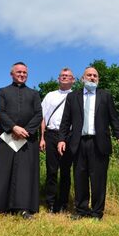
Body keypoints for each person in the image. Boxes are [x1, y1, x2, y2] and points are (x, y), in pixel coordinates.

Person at [58, 67, 119, 220]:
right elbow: (66, 120)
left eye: (95, 75)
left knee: (98, 179)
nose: (92, 77)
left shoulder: (105, 96)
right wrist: (62, 139)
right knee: (80, 177)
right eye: (89, 75)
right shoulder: (73, 97)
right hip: (78, 143)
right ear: (83, 78)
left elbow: (113, 118)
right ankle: (82, 211)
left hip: (99, 143)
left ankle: (97, 212)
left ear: (98, 79)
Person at [0, 62, 43, 219]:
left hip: (28, 139)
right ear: (11, 74)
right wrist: (13, 128)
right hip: (7, 136)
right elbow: (0, 112)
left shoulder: (34, 94)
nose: (22, 74)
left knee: (25, 173)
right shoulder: (2, 92)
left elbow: (39, 114)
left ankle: (23, 208)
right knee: (3, 171)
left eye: (25, 72)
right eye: (19, 72)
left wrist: (26, 131)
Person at [39, 67, 75, 213]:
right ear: (58, 79)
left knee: (66, 171)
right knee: (51, 171)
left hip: (69, 136)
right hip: (51, 135)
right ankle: (51, 203)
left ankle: (63, 203)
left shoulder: (76, 96)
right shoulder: (50, 96)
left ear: (73, 80)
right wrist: (42, 138)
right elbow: (43, 117)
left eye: (68, 76)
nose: (65, 77)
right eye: (62, 75)